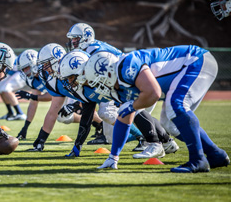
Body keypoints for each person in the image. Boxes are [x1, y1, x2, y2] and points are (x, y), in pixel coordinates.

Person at [86, 47, 230, 173]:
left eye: (99, 80)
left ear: (108, 71)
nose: (100, 86)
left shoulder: (126, 65)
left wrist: (132, 106)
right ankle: (215, 154)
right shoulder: (120, 87)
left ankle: (198, 160)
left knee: (175, 105)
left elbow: (154, 93)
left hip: (195, 61)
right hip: (192, 65)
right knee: (170, 124)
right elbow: (124, 119)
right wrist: (113, 157)